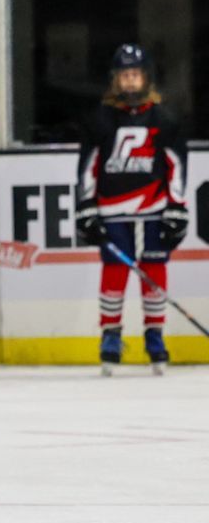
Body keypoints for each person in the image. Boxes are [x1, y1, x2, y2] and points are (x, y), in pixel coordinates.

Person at [75, 44, 188, 372]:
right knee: (114, 270)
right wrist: (87, 206)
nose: (130, 81)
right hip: (112, 211)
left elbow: (176, 165)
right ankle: (111, 334)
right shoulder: (100, 120)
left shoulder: (164, 118)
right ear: (115, 80)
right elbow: (88, 168)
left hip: (153, 209)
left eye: (135, 75)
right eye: (124, 75)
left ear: (146, 78)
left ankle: (155, 334)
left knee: (154, 271)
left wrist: (177, 207)